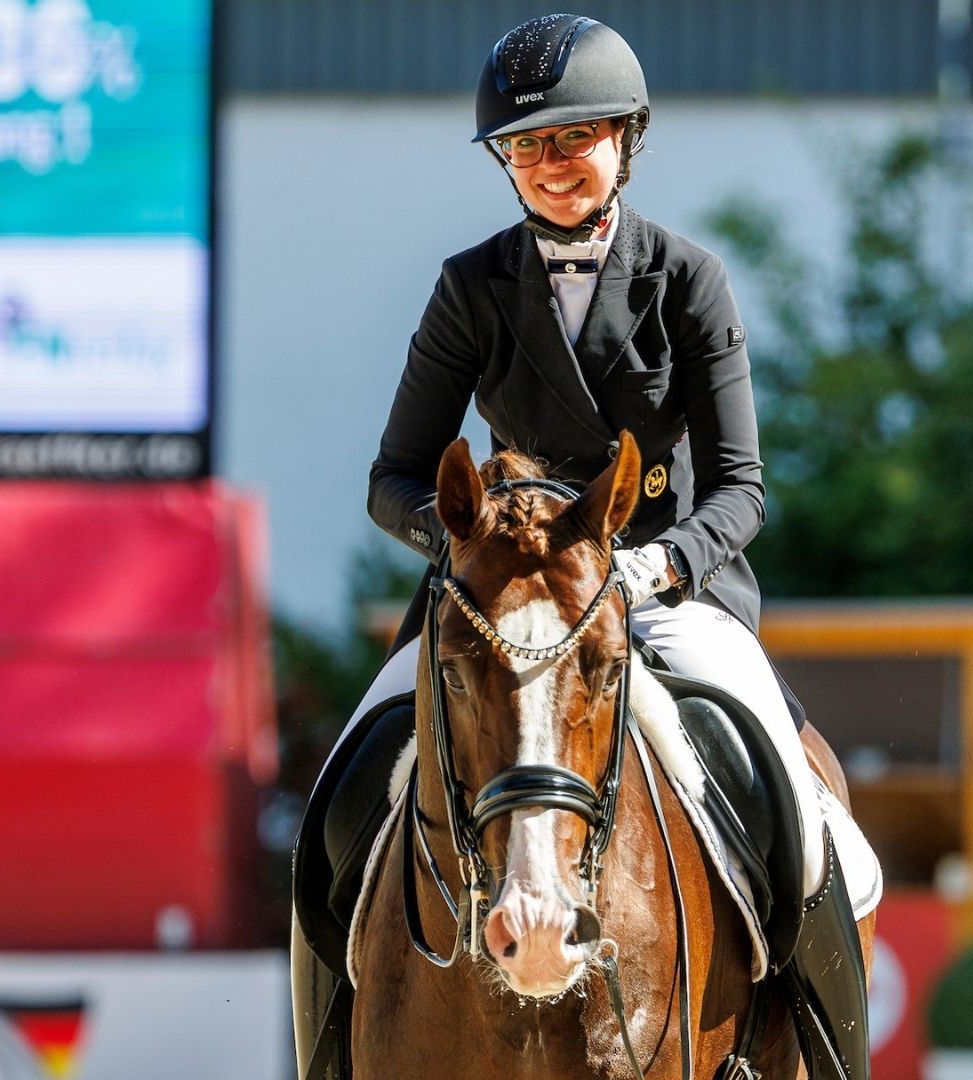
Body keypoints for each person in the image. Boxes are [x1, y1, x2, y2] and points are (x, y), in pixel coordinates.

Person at [295, 14, 873, 1079]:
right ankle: (331, 1049)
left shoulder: (687, 279)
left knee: (791, 797)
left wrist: (659, 564)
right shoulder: (472, 285)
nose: (551, 166)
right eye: (527, 148)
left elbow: (742, 488)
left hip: (658, 588)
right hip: (498, 598)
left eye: (573, 140)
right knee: (346, 791)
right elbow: (395, 478)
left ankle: (823, 1052)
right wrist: (467, 542)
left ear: (626, 140)